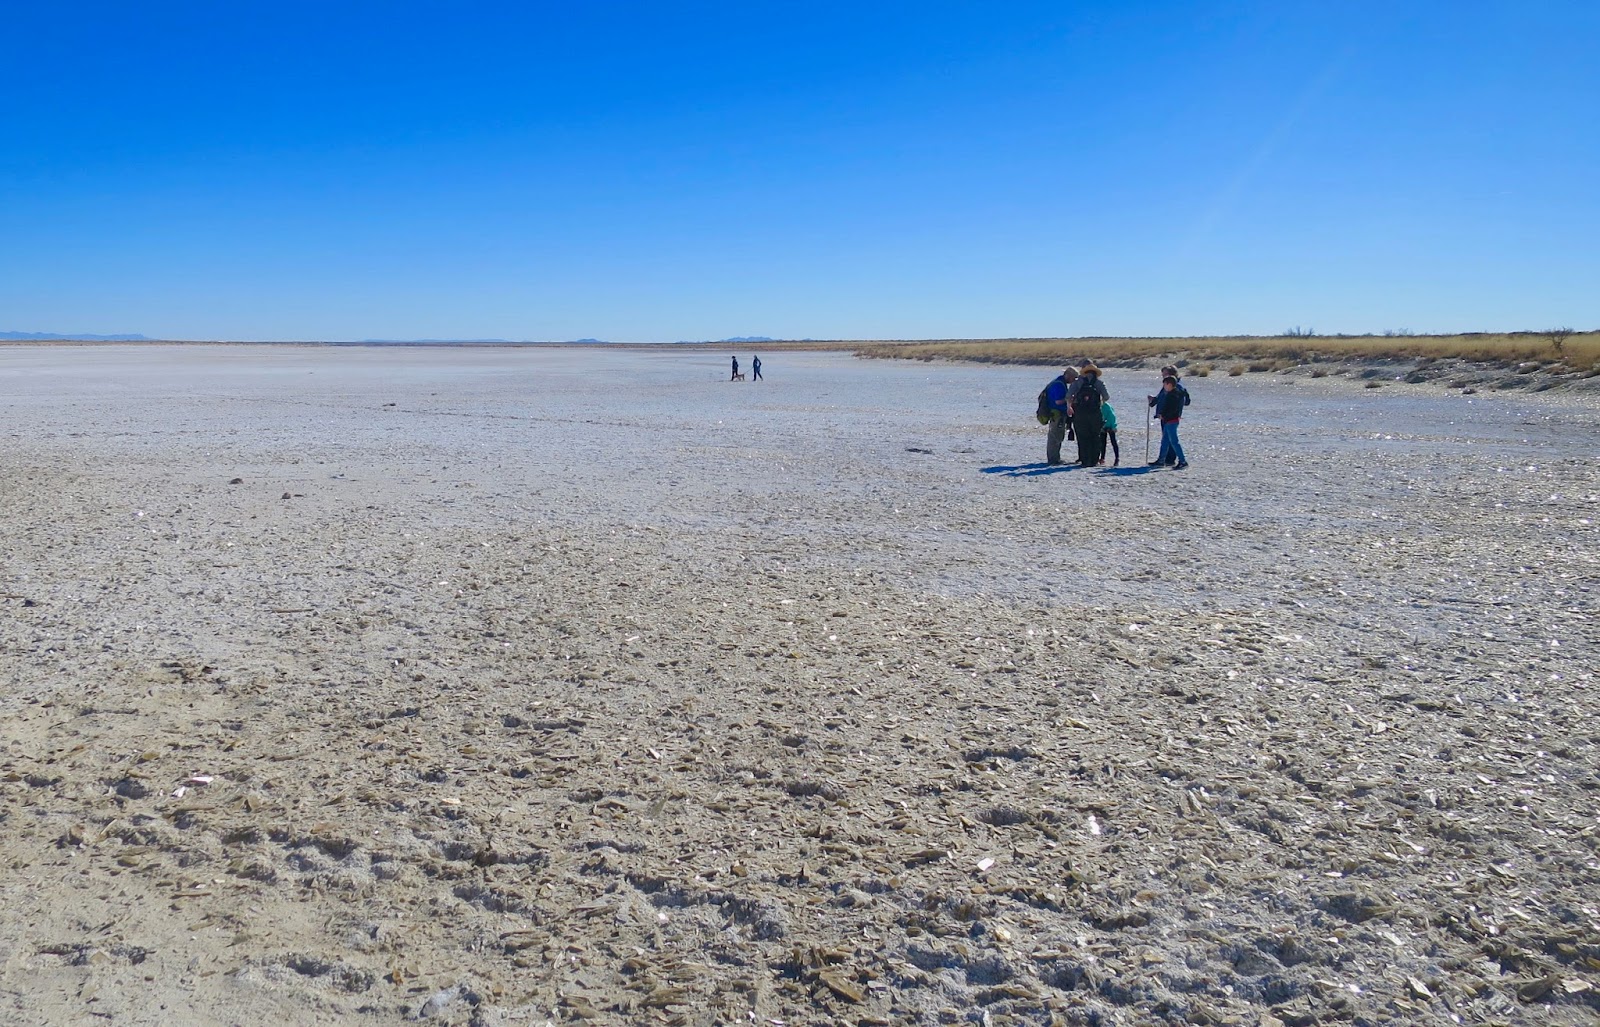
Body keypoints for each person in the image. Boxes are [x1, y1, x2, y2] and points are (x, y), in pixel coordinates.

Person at [1147, 365, 1191, 465]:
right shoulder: (1167, 385)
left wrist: (1165, 414)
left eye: (1165, 374)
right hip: (1165, 417)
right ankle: (1162, 459)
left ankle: (1174, 460)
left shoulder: (1177, 387)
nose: (1163, 377)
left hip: (1171, 418)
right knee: (1166, 439)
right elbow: (1160, 398)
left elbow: (1176, 404)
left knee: (1172, 440)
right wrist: (1153, 401)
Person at [1068, 362, 1109, 467]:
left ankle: (1084, 460)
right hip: (1095, 413)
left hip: (1080, 413)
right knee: (1095, 436)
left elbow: (1068, 396)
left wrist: (1071, 405)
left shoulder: (1078, 382)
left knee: (1082, 437)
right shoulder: (1099, 383)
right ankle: (1094, 460)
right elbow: (1106, 397)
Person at [1039, 366, 1078, 465]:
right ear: (1068, 375)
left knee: (1056, 436)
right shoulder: (1059, 385)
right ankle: (1053, 459)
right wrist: (1070, 398)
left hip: (1056, 414)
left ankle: (1054, 458)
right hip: (1057, 414)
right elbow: (1058, 401)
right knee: (1055, 437)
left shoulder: (1059, 382)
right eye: (1073, 378)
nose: (1074, 380)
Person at [1100, 400, 1121, 466]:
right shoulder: (1098, 406)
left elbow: (1112, 416)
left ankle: (1117, 458)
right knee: (1102, 443)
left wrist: (1112, 426)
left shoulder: (1106, 406)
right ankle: (1102, 458)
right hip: (1103, 425)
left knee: (1113, 442)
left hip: (1110, 425)